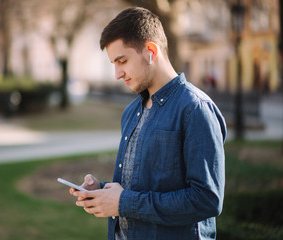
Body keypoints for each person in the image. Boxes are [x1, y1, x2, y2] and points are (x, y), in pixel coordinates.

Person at [70, 7, 227, 240]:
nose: (117, 73)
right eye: (113, 63)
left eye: (122, 61)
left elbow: (206, 200)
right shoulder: (131, 111)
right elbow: (137, 186)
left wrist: (124, 202)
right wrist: (101, 192)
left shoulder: (195, 109)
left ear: (151, 51)